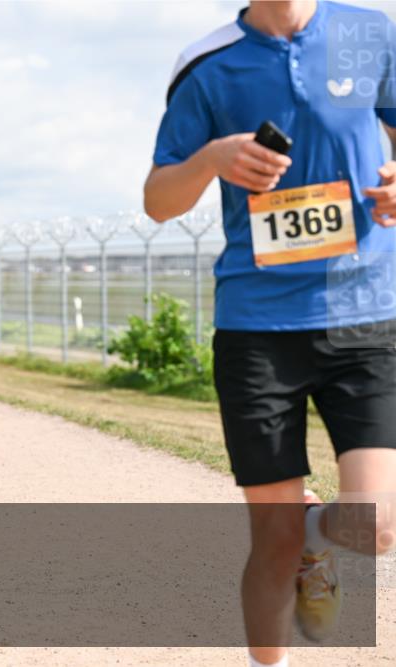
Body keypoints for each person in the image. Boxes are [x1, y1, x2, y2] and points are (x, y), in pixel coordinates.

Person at [144, 2, 396, 665]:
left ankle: (320, 524)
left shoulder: (370, 33)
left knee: (379, 525)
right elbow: (159, 200)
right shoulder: (208, 64)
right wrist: (212, 157)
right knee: (274, 541)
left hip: (366, 312)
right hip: (257, 327)